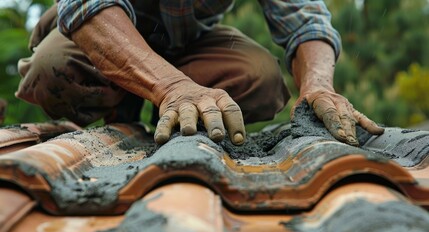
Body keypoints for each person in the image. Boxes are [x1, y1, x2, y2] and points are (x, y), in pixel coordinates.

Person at [16, 0, 384, 146]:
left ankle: (172, 109)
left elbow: (306, 20)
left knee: (260, 77)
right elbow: (86, 5)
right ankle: (121, 112)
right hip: (104, 30)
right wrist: (170, 86)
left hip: (188, 43)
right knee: (53, 71)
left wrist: (318, 86)